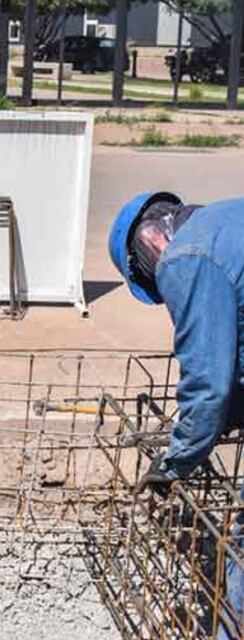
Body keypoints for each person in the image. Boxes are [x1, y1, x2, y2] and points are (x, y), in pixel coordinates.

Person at [109, 191, 244, 638]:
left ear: (147, 245)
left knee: (242, 547)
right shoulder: (224, 217)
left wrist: (174, 463)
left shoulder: (185, 257)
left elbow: (207, 385)